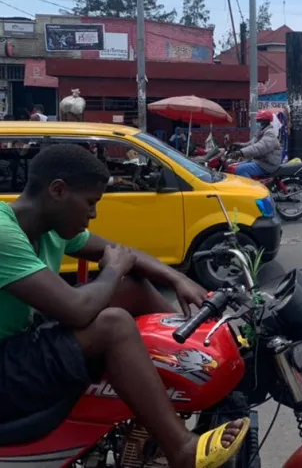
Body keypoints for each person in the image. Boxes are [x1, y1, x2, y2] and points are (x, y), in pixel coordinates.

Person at [0, 144, 248, 468]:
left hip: (20, 342)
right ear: (58, 191)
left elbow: (123, 253)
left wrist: (178, 280)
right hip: (6, 363)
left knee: (130, 289)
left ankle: (188, 367)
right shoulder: (5, 233)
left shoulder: (49, 227)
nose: (93, 215)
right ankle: (181, 448)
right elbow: (76, 308)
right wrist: (113, 269)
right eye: (90, 204)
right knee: (114, 324)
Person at [233, 110, 282, 178]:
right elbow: (251, 144)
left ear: (265, 121)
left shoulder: (270, 133)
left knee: (241, 169)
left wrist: (241, 152)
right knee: (234, 166)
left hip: (267, 164)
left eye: (259, 121)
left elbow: (259, 147)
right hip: (260, 161)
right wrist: (239, 145)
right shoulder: (261, 132)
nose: (257, 122)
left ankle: (250, 188)